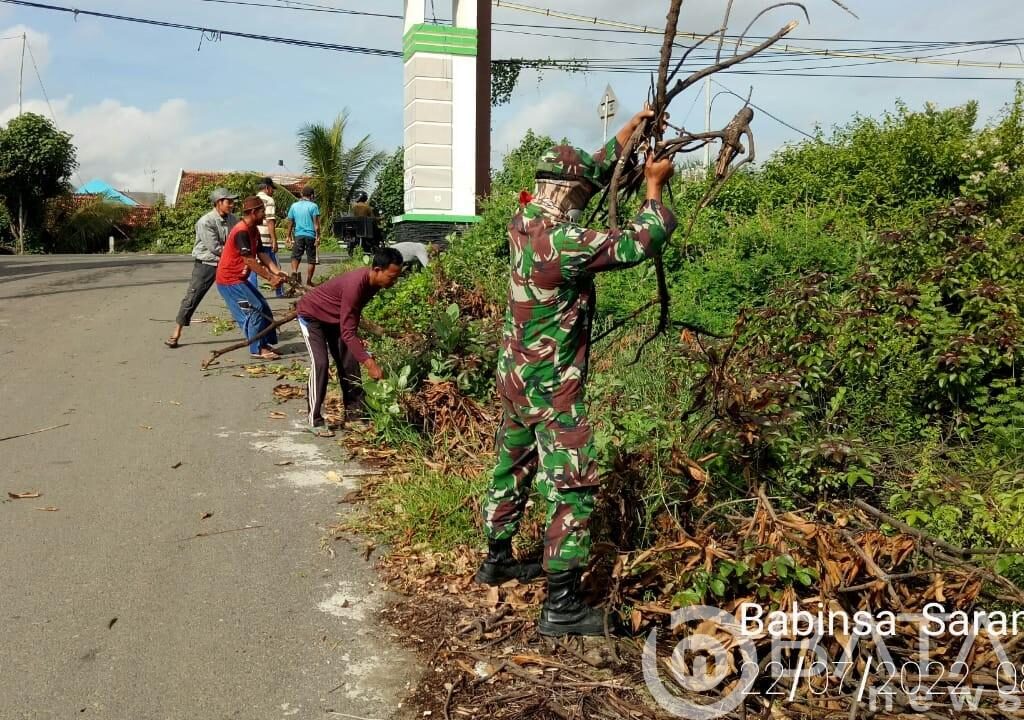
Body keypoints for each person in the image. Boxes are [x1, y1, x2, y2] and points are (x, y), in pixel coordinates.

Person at [477, 107, 677, 637]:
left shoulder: (523, 220)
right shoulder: (563, 244)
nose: (585, 201)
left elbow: (587, 169)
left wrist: (631, 131)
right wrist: (654, 189)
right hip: (551, 388)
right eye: (582, 197)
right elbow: (643, 239)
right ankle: (562, 604)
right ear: (567, 198)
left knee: (512, 465)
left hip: (515, 378)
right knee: (573, 486)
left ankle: (496, 557)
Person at [295, 247, 404, 437]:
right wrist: (370, 364)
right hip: (311, 316)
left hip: (334, 319)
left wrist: (359, 347)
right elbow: (347, 332)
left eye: (396, 278)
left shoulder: (374, 284)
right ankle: (314, 419)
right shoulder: (356, 284)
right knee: (320, 363)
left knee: (350, 363)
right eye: (391, 277)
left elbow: (351, 316)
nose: (393, 282)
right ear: (377, 270)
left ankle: (354, 415)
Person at [216, 196, 290, 360]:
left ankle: (264, 343)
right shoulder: (241, 231)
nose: (265, 215)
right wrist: (270, 278)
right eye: (262, 211)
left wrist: (276, 271)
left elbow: (261, 253)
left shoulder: (253, 229)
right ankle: (256, 349)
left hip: (239, 279)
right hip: (229, 280)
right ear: (254, 212)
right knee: (255, 309)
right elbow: (249, 260)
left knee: (263, 307)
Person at [164, 188, 238, 349]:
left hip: (228, 263)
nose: (232, 205)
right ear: (219, 203)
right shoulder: (206, 221)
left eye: (233, 202)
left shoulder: (234, 219)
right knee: (192, 297)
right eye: (229, 202)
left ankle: (253, 333)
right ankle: (176, 332)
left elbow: (238, 239)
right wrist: (234, 250)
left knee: (241, 296)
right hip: (207, 264)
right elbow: (215, 248)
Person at [256, 176, 285, 298]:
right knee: (275, 265)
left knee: (254, 266)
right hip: (265, 238)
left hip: (255, 237)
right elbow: (270, 221)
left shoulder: (252, 199)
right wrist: (274, 240)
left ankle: (253, 293)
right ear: (267, 188)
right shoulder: (269, 200)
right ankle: (280, 291)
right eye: (272, 189)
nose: (272, 191)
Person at [286, 186, 321, 287]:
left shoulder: (294, 206)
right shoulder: (313, 206)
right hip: (310, 236)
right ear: (312, 195)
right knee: (311, 259)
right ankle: (309, 281)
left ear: (302, 194)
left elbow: (290, 222)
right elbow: (316, 225)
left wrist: (288, 236)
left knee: (295, 256)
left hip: (298, 235)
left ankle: (294, 273)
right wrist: (318, 237)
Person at [347, 191, 377, 256]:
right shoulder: (368, 207)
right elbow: (373, 218)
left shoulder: (353, 208)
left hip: (356, 231)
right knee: (377, 231)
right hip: (367, 232)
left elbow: (351, 218)